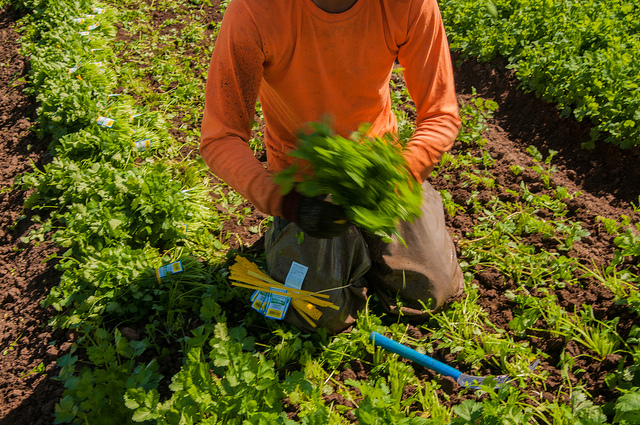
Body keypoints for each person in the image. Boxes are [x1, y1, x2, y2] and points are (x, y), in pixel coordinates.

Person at [200, 0, 464, 333]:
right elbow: (220, 137)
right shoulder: (257, 10)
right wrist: (285, 202)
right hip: (304, 183)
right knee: (320, 315)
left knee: (430, 292)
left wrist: (403, 174)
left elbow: (440, 113)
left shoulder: (407, 5)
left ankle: (365, 245)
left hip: (380, 174)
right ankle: (297, 236)